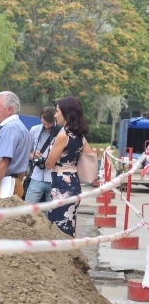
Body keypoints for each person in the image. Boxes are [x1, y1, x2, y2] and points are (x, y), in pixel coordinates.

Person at [46, 96, 95, 236]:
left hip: (61, 184)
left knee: (57, 226)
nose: (55, 115)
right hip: (74, 182)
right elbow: (90, 155)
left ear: (66, 113)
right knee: (69, 224)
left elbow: (49, 164)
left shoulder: (63, 135)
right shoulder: (80, 136)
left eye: (57, 111)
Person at [24, 106, 62, 204]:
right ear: (40, 118)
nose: (47, 126)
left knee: (50, 212)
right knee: (27, 207)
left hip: (54, 177)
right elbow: (27, 152)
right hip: (37, 175)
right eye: (44, 123)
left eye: (50, 124)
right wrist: (33, 156)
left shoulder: (61, 132)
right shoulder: (34, 130)